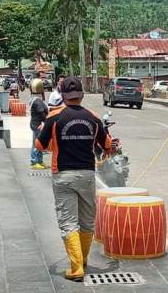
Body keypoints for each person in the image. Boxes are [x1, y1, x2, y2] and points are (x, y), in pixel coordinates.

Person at [35, 76, 112, 282]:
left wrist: (50, 138)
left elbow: (39, 146)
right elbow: (107, 145)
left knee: (68, 222)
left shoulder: (54, 116)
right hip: (87, 175)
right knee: (87, 221)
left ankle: (77, 267)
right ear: (82, 95)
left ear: (62, 95)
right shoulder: (93, 117)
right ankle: (83, 259)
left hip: (63, 176)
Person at [29, 79, 49, 169]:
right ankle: (35, 161)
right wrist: (47, 123)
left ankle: (39, 161)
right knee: (37, 143)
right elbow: (42, 114)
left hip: (35, 124)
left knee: (38, 142)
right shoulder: (37, 101)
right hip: (37, 124)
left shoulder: (34, 99)